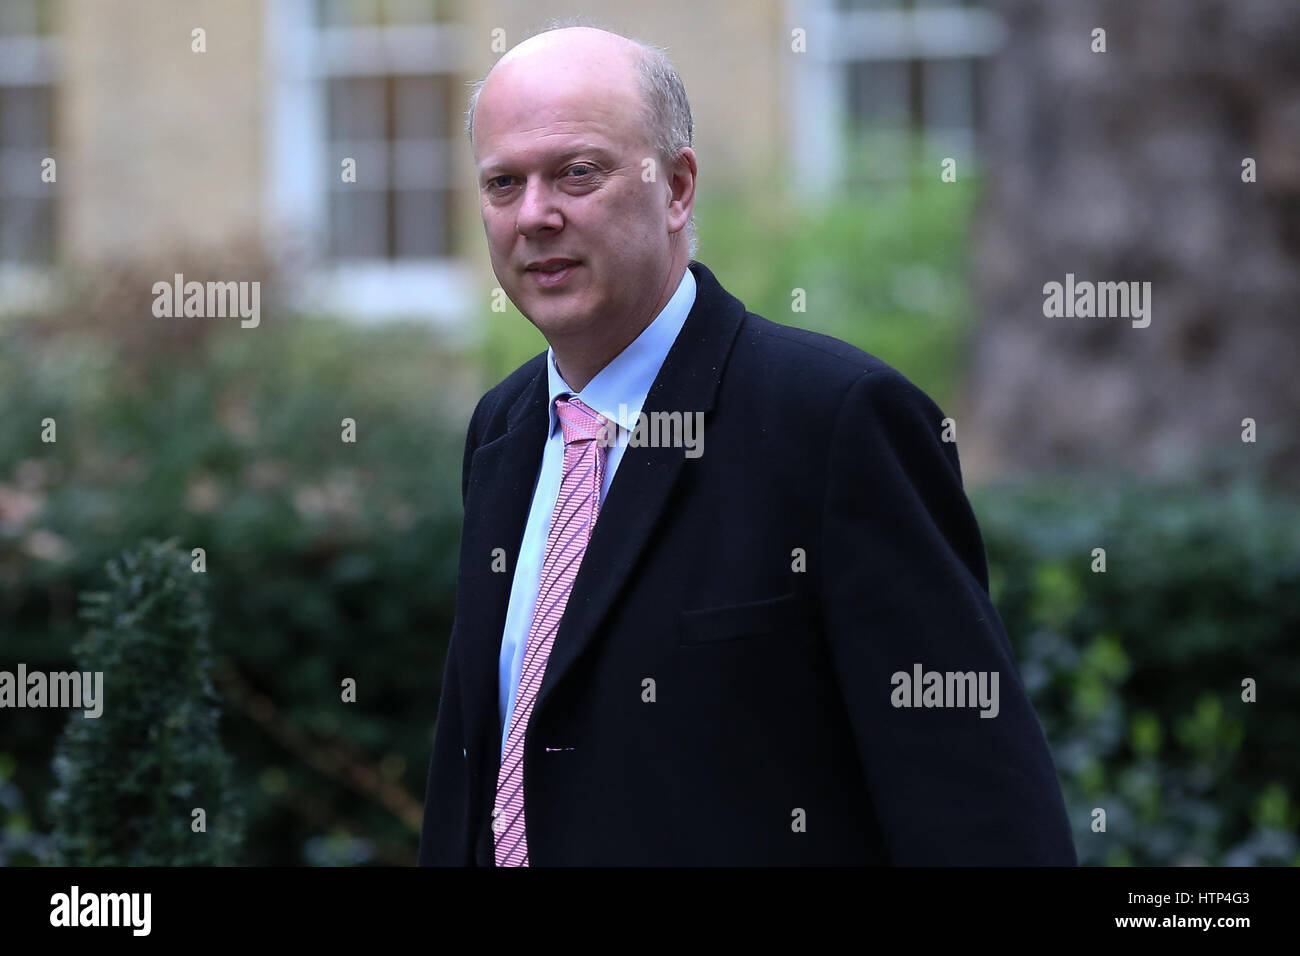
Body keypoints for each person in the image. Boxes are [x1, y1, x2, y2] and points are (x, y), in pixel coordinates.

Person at [418, 24, 1076, 866]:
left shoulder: (837, 422)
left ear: (678, 187)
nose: (536, 214)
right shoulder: (502, 433)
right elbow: (473, 769)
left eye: (578, 172)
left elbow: (975, 804)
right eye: (503, 182)